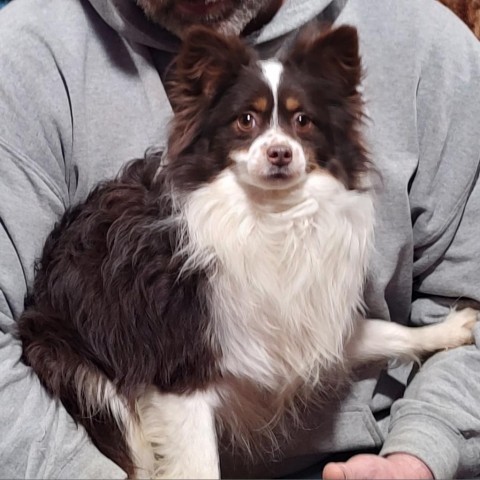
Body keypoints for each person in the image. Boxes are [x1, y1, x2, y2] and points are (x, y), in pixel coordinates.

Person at [0, 0, 479, 478]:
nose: (276, 144)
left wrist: (423, 453)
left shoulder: (430, 47)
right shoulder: (26, 49)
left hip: (380, 457)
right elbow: (180, 385)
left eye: (300, 122)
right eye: (248, 121)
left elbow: (458, 310)